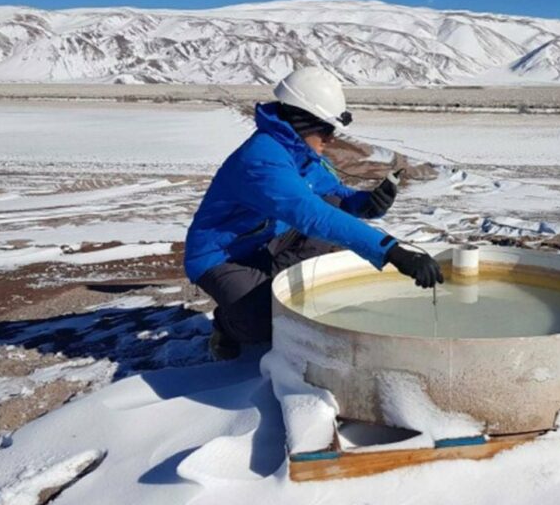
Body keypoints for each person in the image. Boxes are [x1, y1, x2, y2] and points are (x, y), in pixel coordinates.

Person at [184, 67, 444, 360]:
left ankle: (274, 285)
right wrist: (392, 252)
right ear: (302, 120)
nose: (332, 138)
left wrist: (366, 203)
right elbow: (313, 216)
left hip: (271, 238)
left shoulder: (300, 152)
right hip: (222, 256)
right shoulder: (262, 161)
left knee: (329, 210)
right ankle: (227, 325)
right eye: (327, 128)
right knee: (263, 323)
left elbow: (335, 194)